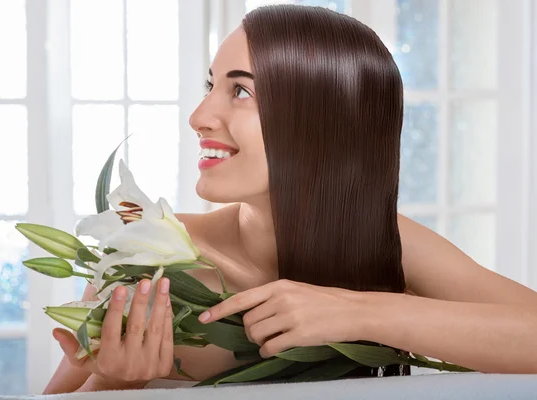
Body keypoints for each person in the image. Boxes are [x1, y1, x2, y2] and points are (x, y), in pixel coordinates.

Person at [43, 5, 537, 393]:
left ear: (323, 126)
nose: (199, 115)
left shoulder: (385, 242)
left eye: (240, 92)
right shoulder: (144, 254)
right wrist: (114, 384)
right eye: (212, 85)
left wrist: (362, 312)